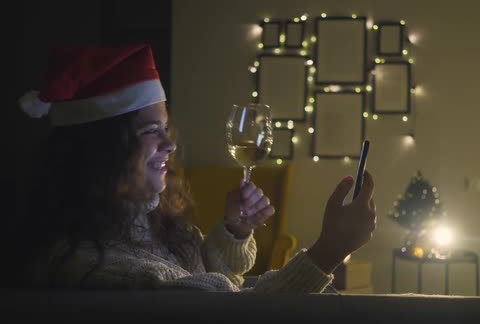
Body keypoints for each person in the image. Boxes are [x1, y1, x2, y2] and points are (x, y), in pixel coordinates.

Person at [18, 44, 376, 293]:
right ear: (99, 152)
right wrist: (330, 250)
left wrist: (234, 230)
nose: (170, 145)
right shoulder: (93, 266)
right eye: (149, 131)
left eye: (166, 128)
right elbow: (237, 312)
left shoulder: (154, 228)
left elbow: (204, 275)